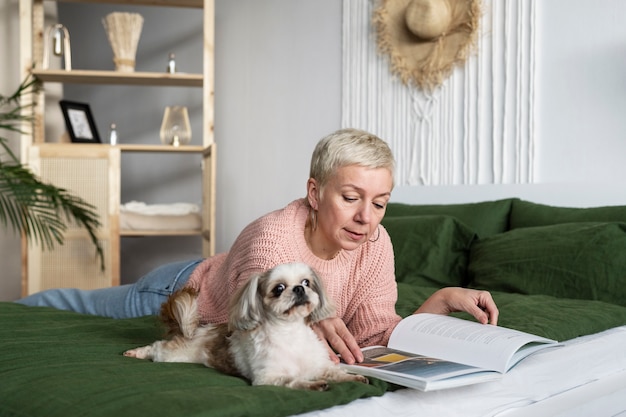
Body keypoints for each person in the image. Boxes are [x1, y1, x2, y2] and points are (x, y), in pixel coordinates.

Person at [17, 128, 498, 364]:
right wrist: (316, 311)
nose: (365, 217)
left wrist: (434, 306)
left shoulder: (375, 244)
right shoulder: (274, 233)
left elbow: (374, 336)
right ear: (315, 193)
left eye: (380, 203)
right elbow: (269, 312)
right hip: (184, 291)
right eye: (351, 198)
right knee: (65, 304)